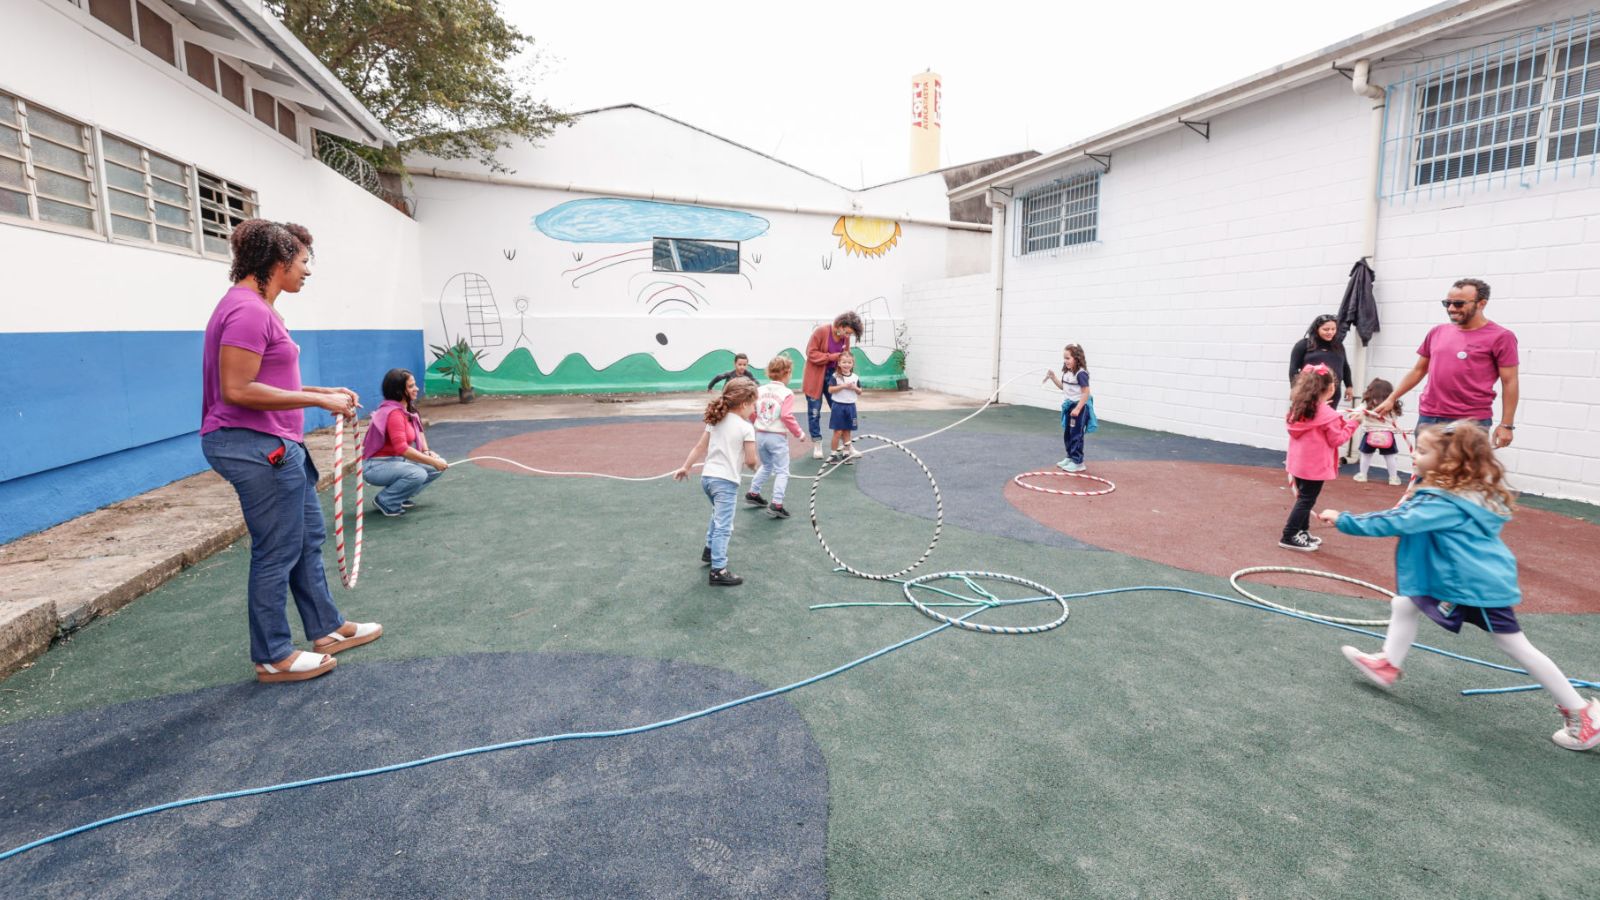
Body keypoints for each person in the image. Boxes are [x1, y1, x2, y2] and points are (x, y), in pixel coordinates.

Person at [1318, 422, 1598, 751]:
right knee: (1406, 602)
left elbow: (1395, 521)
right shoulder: (1460, 493)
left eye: (1423, 452)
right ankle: (1387, 663)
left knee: (1516, 647)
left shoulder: (1442, 502)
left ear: (1448, 463)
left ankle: (1583, 713)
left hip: (1476, 588)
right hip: (1459, 581)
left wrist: (1343, 519)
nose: (1414, 454)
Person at [199, 219, 382, 684]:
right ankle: (273, 655)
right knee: (277, 548)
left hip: (277, 442)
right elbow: (238, 389)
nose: (307, 271)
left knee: (305, 539)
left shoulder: (256, 307)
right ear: (279, 263)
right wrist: (318, 401)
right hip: (255, 446)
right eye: (303, 262)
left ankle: (325, 627)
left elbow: (269, 380)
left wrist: (322, 390)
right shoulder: (248, 310)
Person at [1373, 278, 1518, 449]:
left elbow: (1510, 382)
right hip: (1429, 417)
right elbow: (1418, 371)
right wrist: (1392, 398)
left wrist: (1506, 425)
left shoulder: (1501, 337)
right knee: (1425, 474)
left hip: (1470, 422)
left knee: (1463, 475)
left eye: (1458, 304)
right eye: (1447, 303)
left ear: (1481, 304)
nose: (1451, 309)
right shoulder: (1437, 332)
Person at [674, 380, 758, 586]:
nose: (754, 408)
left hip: (708, 479)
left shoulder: (716, 420)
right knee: (724, 525)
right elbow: (751, 460)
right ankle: (718, 569)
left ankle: (709, 551)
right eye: (754, 404)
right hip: (726, 482)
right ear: (744, 404)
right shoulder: (746, 428)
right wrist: (756, 467)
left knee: (717, 516)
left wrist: (686, 466)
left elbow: (700, 446)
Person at [1280, 363, 1360, 552]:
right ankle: (1289, 534)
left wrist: (1325, 409)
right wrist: (1354, 423)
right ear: (1331, 388)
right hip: (1314, 467)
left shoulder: (1299, 408)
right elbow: (1337, 439)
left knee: (1303, 498)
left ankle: (1302, 531)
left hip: (1298, 465)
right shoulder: (1327, 415)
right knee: (1306, 500)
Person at [362, 368, 448, 516]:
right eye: (411, 386)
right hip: (376, 466)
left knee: (435, 467)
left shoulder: (407, 409)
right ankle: (386, 500)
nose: (417, 389)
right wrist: (431, 461)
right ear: (398, 391)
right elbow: (402, 448)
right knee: (418, 473)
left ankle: (400, 496)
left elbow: (419, 431)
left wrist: (427, 453)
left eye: (414, 385)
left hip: (395, 462)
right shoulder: (394, 413)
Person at [747, 356, 805, 518]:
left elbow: (752, 411)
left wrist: (757, 422)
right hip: (776, 437)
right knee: (782, 471)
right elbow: (786, 416)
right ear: (787, 373)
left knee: (766, 466)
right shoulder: (787, 393)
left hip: (760, 435)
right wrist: (798, 433)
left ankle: (753, 493)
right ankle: (777, 504)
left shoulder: (760, 390)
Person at [802, 312, 864, 459]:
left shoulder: (845, 338)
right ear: (841, 325)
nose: (848, 336)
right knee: (814, 412)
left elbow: (845, 358)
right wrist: (831, 357)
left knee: (840, 410)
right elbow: (811, 353)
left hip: (835, 377)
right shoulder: (821, 331)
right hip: (815, 377)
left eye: (851, 334)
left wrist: (848, 375)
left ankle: (847, 445)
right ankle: (817, 444)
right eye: (848, 332)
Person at [1043, 342, 1093, 472]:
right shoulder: (1067, 372)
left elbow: (1086, 392)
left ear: (1076, 358)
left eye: (1068, 358)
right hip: (1069, 407)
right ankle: (1070, 457)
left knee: (1076, 434)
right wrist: (1053, 377)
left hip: (1079, 407)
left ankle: (1078, 462)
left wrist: (1078, 408)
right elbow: (1063, 388)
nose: (1065, 361)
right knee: (1068, 433)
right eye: (1064, 358)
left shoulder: (1081, 374)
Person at [1288, 314, 1354, 407]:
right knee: (1310, 418)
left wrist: (1349, 386)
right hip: (1310, 391)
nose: (1330, 332)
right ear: (1316, 329)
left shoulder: (1338, 346)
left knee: (1327, 418)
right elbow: (1293, 369)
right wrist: (1294, 389)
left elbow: (1345, 367)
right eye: (1326, 329)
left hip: (1332, 391)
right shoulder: (1303, 345)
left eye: (1333, 329)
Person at [1353, 378, 1404, 486]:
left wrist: (1355, 415)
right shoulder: (1392, 405)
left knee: (1366, 455)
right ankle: (1393, 478)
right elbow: (1396, 417)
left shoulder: (1367, 405)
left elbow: (1356, 413)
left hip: (1370, 434)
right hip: (1387, 435)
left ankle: (1362, 475)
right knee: (1390, 456)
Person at [826, 352, 862, 463]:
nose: (847, 364)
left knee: (847, 432)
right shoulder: (835, 376)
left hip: (850, 406)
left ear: (853, 364)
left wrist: (854, 388)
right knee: (838, 432)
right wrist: (843, 386)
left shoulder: (855, 377)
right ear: (839, 363)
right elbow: (830, 390)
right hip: (838, 406)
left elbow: (860, 391)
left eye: (849, 362)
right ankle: (833, 454)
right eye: (844, 362)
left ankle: (846, 454)